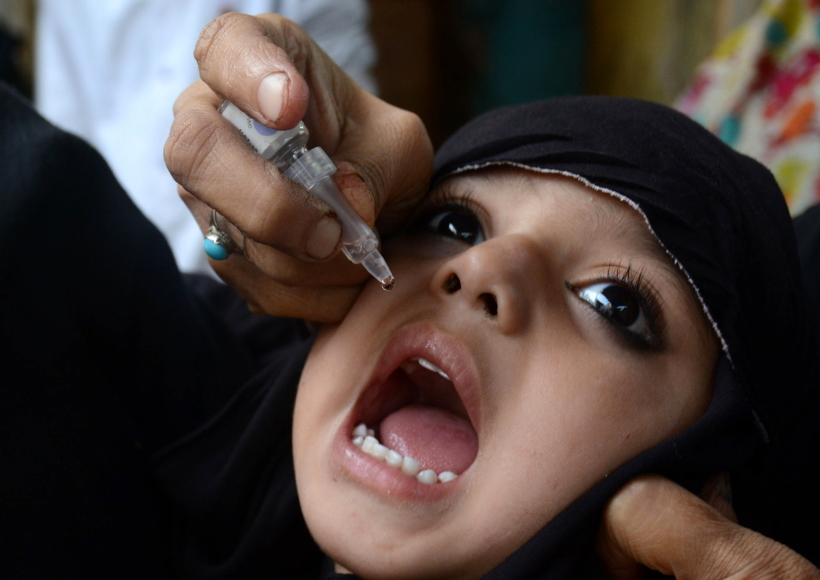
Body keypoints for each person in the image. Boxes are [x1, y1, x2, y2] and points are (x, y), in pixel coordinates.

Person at [2, 12, 819, 580]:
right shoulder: (171, 426)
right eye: (456, 224)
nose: (487, 270)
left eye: (614, 303)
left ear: (707, 470)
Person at [34, 0, 376, 275]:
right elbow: (66, 148)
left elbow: (346, 117)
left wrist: (359, 161)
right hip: (119, 277)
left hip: (255, 295)